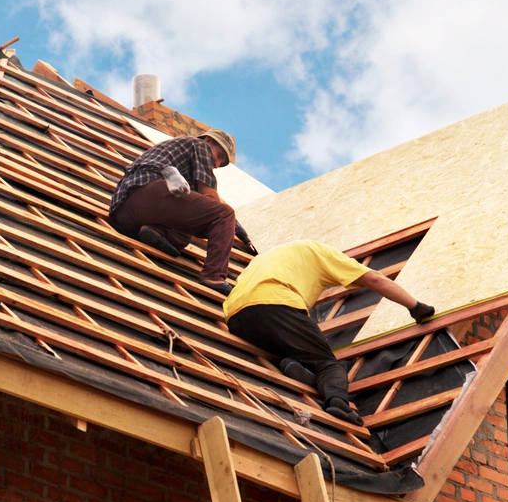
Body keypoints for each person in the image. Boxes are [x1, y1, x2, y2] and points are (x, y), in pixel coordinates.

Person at [223, 239, 435, 427]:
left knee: (295, 348)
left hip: (235, 317)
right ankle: (338, 403)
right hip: (275, 302)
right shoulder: (321, 252)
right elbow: (374, 279)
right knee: (329, 364)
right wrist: (415, 306)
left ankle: (293, 366)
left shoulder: (272, 257)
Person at [109, 130, 247, 295]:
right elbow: (208, 193)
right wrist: (232, 224)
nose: (216, 165)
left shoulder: (179, 151)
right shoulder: (200, 145)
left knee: (184, 234)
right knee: (224, 214)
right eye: (218, 156)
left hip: (123, 213)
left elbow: (194, 204)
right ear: (209, 141)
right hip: (151, 191)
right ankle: (214, 276)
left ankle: (153, 231)